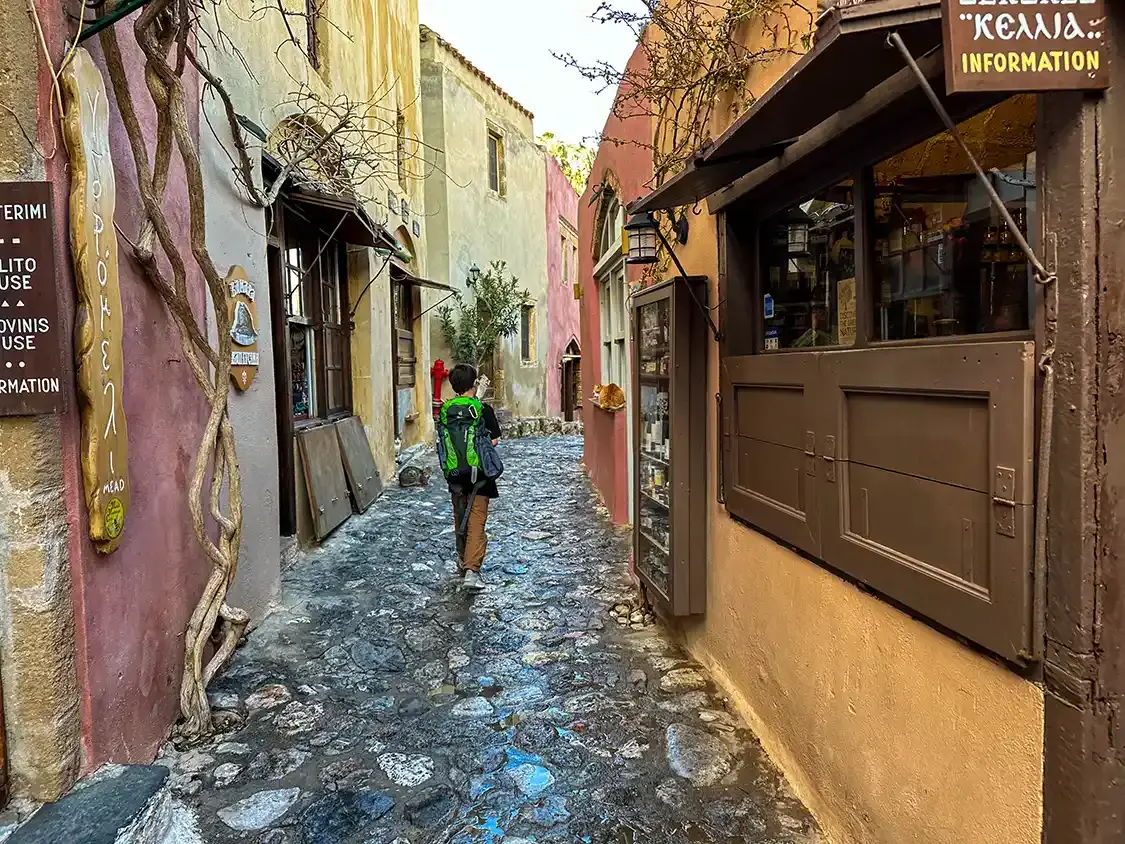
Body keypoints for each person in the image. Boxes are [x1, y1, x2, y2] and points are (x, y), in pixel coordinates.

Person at [444, 364, 501, 590]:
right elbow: (494, 440)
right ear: (474, 383)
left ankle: (461, 559)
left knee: (460, 516)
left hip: (455, 473)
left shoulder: (447, 410)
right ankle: (471, 571)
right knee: (476, 519)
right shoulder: (481, 409)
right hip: (480, 475)